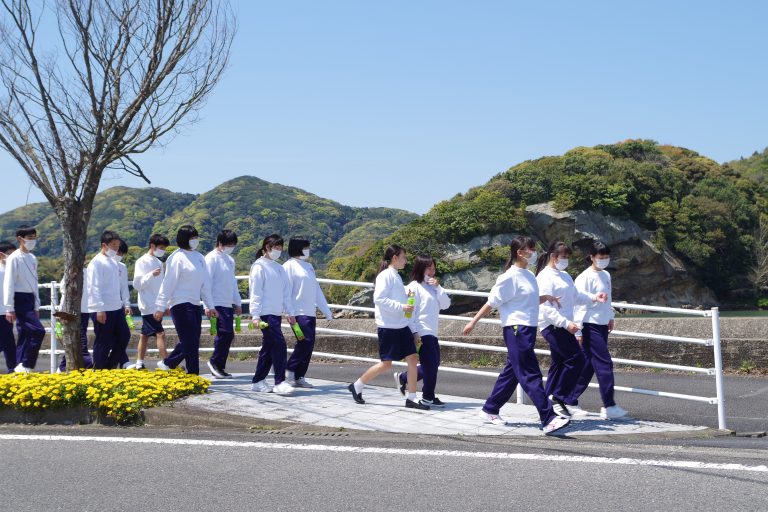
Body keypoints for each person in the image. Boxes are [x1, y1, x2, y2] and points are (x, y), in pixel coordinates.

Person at [462, 235, 571, 435]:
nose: (534, 253)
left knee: (512, 372)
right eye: (531, 249)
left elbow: (527, 301)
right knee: (530, 373)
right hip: (516, 329)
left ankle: (490, 408)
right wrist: (473, 322)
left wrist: (546, 297)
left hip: (527, 329)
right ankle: (548, 418)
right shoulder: (508, 277)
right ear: (520, 252)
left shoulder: (528, 275)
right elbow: (491, 302)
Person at [347, 244, 430, 410]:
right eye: (404, 257)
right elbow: (379, 299)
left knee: (413, 358)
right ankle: (357, 385)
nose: (406, 261)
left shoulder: (396, 276)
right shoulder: (385, 276)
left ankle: (412, 397)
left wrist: (412, 328)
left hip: (401, 326)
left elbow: (398, 302)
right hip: (389, 327)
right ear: (395, 258)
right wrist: (402, 306)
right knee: (386, 364)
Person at [535, 241, 607, 418]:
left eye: (567, 257)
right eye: (564, 257)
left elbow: (576, 296)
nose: (566, 260)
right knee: (577, 358)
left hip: (564, 325)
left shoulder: (565, 275)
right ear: (553, 256)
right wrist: (566, 323)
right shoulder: (544, 277)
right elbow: (545, 308)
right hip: (552, 325)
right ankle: (558, 397)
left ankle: (547, 404)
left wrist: (594, 297)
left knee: (559, 363)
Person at [566, 241, 627, 420]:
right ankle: (609, 405)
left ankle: (569, 400)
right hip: (588, 324)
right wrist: (578, 331)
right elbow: (578, 304)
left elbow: (608, 300)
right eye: (601, 257)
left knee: (588, 365)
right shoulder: (584, 277)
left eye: (607, 257)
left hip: (601, 324)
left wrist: (610, 317)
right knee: (604, 363)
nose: (604, 260)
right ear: (592, 257)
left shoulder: (606, 274)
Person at [153, 225, 216, 375]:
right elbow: (168, 283)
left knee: (193, 340)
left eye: (196, 237)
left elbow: (205, 284)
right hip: (179, 303)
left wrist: (210, 305)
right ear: (184, 239)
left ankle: (169, 363)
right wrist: (160, 306)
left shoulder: (200, 257)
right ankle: (193, 374)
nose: (195, 240)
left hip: (195, 303)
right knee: (190, 340)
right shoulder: (176, 257)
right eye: (192, 238)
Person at [393, 255, 451, 407]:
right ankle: (428, 396)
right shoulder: (413, 287)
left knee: (433, 364)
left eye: (433, 269)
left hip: (433, 330)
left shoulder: (433, 287)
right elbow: (409, 312)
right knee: (431, 364)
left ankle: (404, 378)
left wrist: (438, 287)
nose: (432, 272)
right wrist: (414, 332)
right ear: (421, 269)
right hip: (421, 330)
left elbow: (446, 304)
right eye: (428, 269)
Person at [249, 234, 297, 394]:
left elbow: (286, 293)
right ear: (267, 247)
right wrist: (255, 315)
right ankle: (279, 382)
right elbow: (255, 292)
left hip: (276, 313)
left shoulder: (279, 268)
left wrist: (290, 312)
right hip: (265, 314)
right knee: (279, 345)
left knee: (269, 348)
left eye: (280, 248)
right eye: (276, 248)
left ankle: (258, 381)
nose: (278, 251)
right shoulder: (259, 266)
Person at [283, 237, 333, 388]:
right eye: (305, 247)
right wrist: (288, 312)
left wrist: (326, 311)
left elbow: (316, 290)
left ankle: (299, 376)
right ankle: (289, 370)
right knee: (305, 342)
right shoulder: (288, 266)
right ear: (297, 248)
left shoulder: (309, 266)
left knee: (309, 346)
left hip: (310, 313)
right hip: (297, 314)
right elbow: (285, 292)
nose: (307, 250)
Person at [3, 226, 45, 373]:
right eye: (29, 238)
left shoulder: (32, 258)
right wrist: (9, 307)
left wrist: (36, 305)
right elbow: (9, 283)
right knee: (39, 331)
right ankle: (27, 364)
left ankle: (18, 369)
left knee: (25, 335)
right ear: (20, 239)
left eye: (34, 237)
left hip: (30, 298)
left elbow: (34, 282)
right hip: (19, 298)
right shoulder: (14, 258)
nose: (32, 241)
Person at [86, 231, 131, 369]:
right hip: (102, 308)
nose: (116, 248)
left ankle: (110, 367)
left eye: (117, 245)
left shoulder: (113, 262)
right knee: (103, 342)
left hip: (116, 307)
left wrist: (124, 304)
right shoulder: (96, 263)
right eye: (113, 245)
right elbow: (94, 287)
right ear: (104, 245)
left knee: (124, 336)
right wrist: (99, 309)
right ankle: (99, 370)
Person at [205, 229, 242, 379]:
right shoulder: (211, 258)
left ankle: (219, 366)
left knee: (228, 334)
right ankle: (214, 362)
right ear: (220, 243)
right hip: (215, 303)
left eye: (233, 245)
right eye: (228, 244)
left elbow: (233, 283)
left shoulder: (230, 260)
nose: (231, 247)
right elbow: (206, 283)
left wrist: (237, 303)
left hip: (227, 303)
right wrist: (208, 306)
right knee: (224, 333)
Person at [131, 234, 169, 370]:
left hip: (157, 305)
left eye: (164, 248)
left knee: (144, 335)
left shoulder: (158, 262)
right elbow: (137, 285)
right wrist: (151, 275)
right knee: (160, 334)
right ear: (152, 246)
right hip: (148, 305)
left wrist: (165, 304)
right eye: (161, 247)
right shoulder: (141, 261)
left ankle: (139, 362)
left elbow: (163, 285)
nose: (162, 250)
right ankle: (167, 363)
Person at [57, 265, 94, 371]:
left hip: (83, 310)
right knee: (79, 338)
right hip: (72, 310)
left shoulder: (88, 271)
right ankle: (87, 363)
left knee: (77, 338)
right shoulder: (72, 270)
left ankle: (62, 367)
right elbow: (63, 290)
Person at [114, 239, 135, 369]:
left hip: (119, 305)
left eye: (122, 253)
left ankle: (122, 361)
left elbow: (124, 287)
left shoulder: (122, 267)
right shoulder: (101, 264)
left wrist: (127, 304)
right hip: (105, 306)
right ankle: (122, 361)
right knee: (108, 337)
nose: (120, 255)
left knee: (124, 334)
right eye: (118, 252)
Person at [0, 241, 17, 373]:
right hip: (4, 312)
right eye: (10, 254)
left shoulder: (11, 270)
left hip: (6, 312)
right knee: (8, 342)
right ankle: (13, 370)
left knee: (7, 342)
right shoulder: (3, 271)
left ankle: (13, 370)